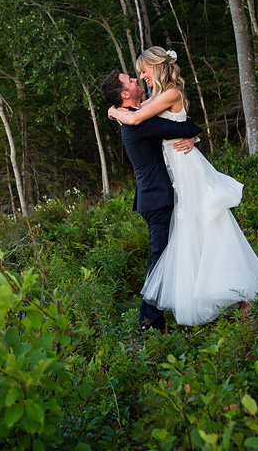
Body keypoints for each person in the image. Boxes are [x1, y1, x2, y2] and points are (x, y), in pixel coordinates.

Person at [107, 47, 258, 326]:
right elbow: (149, 120)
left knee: (208, 226)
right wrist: (116, 109)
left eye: (144, 71)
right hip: (174, 174)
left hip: (186, 170)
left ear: (157, 67)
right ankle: (217, 295)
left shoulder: (170, 94)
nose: (141, 77)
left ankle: (238, 295)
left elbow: (138, 118)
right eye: (136, 76)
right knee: (194, 233)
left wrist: (113, 110)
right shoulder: (157, 98)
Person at [101, 66, 203, 332]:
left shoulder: (134, 114)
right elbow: (185, 126)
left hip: (156, 196)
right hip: (157, 198)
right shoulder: (138, 121)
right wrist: (192, 133)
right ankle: (149, 322)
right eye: (130, 80)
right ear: (125, 94)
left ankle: (160, 315)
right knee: (159, 257)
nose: (136, 80)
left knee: (164, 255)